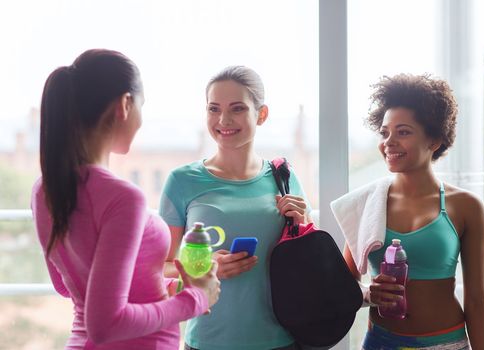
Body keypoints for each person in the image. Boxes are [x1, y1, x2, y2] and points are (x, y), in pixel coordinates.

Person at [31, 49, 220, 350]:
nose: (141, 119)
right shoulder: (123, 198)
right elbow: (106, 323)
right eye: (142, 105)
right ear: (125, 104)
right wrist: (194, 299)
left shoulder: (44, 189)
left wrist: (168, 288)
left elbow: (70, 285)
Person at [331, 73, 484, 349]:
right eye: (384, 133)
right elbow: (344, 287)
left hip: (445, 343)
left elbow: (476, 299)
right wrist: (370, 294)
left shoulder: (465, 206)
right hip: (381, 342)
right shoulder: (368, 202)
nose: (388, 142)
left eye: (403, 132)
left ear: (435, 140)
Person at [159, 65, 312, 350]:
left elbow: (309, 264)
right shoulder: (182, 181)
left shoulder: (285, 179)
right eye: (213, 109)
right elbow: (159, 267)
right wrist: (205, 267)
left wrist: (302, 223)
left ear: (261, 114)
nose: (223, 119)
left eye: (237, 108)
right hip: (206, 341)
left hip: (281, 340)